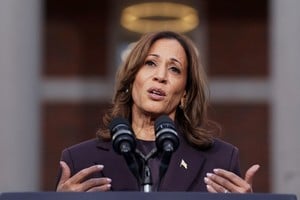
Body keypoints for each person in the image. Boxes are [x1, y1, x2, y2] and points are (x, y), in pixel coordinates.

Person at [56, 31, 259, 192]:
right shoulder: (80, 161)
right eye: (150, 63)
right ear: (131, 78)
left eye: (174, 69)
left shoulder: (220, 161)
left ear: (185, 93)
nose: (161, 76)